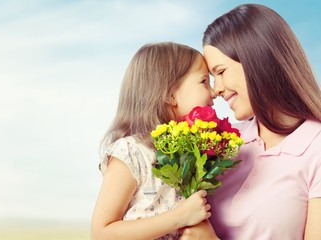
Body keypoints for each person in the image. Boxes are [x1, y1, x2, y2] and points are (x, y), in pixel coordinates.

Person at [182, 3, 321, 240]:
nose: (217, 89)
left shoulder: (315, 149)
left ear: (257, 59)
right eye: (211, 78)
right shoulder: (226, 141)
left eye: (221, 71)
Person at [91, 42, 220, 240]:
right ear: (171, 94)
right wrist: (178, 218)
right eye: (204, 81)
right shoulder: (130, 152)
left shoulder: (192, 153)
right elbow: (101, 234)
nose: (213, 93)